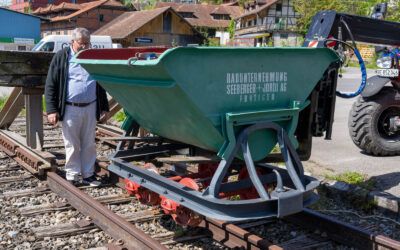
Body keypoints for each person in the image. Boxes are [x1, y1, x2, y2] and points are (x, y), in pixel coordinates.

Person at [45, 28, 109, 186]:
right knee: (72, 143)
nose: (85, 47)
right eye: (81, 43)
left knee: (88, 142)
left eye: (87, 43)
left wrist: (105, 106)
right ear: (73, 42)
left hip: (90, 106)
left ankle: (88, 174)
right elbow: (50, 84)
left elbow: (101, 82)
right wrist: (52, 110)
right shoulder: (62, 57)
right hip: (70, 107)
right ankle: (72, 175)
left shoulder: (93, 57)